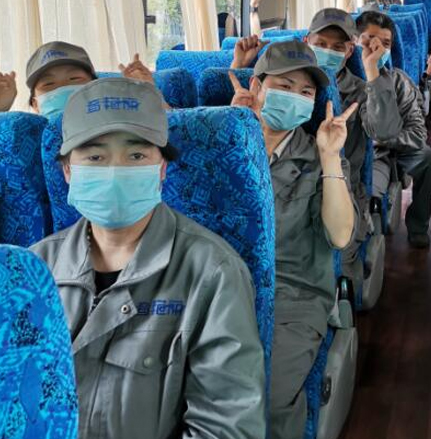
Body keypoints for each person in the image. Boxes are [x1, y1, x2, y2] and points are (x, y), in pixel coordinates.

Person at [30, 77, 266, 438]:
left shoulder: (212, 272)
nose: (115, 171)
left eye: (136, 156)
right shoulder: (32, 269)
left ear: (162, 169)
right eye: (95, 157)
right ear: (67, 171)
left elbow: (226, 426)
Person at [230, 40, 357, 439]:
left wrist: (330, 156)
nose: (295, 98)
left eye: (306, 92)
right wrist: (236, 137)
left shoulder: (319, 157)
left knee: (264, 398)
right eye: (284, 87)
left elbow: (340, 235)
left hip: (292, 295)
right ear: (257, 86)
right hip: (219, 289)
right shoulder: (222, 147)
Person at [305, 8, 395, 272]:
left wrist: (372, 72)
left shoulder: (362, 91)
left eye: (337, 47)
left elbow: (385, 132)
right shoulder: (287, 87)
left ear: (349, 51)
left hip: (344, 193)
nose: (328, 52)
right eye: (321, 44)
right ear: (306, 42)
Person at [354, 10, 431, 249]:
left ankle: (418, 224)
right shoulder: (339, 82)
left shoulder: (399, 81)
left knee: (429, 161)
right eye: (369, 40)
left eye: (385, 44)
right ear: (354, 41)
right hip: (358, 153)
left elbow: (418, 134)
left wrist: (384, 140)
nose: (377, 48)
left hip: (396, 148)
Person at [0, 41, 158, 114]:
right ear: (35, 104)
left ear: (96, 88)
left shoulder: (119, 120)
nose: (62, 87)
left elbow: (168, 136)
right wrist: (2, 108)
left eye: (74, 79)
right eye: (49, 84)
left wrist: (149, 94)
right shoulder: (24, 133)